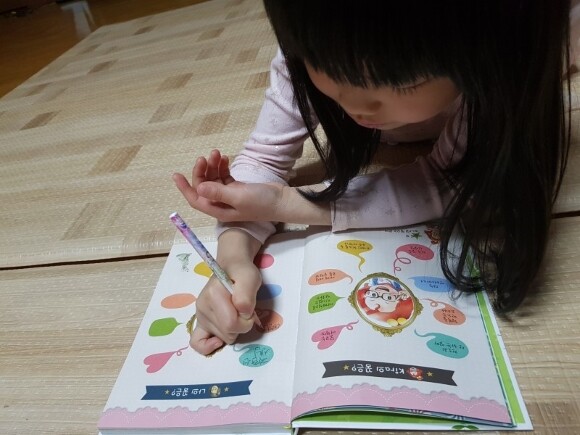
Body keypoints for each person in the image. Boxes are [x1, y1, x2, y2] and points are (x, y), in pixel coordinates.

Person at [173, 0, 575, 355]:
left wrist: (285, 203)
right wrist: (234, 257)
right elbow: (264, 157)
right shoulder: (322, 33)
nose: (356, 106)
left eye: (402, 81)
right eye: (327, 71)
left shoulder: (502, 57)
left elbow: (450, 181)